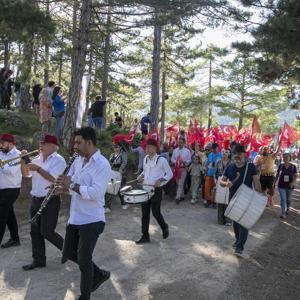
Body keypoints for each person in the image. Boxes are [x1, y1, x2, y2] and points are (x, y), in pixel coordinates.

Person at [57, 127, 111, 300]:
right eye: (75, 142)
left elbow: (95, 193)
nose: (75, 146)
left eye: (78, 142)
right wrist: (62, 188)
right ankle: (99, 274)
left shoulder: (102, 164)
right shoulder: (77, 161)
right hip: (75, 217)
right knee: (69, 253)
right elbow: (72, 186)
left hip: (92, 219)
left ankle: (85, 296)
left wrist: (71, 185)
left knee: (84, 259)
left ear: (89, 142)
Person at [22, 134, 66, 271]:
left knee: (47, 231)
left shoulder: (59, 160)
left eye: (43, 144)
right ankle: (39, 260)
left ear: (53, 146)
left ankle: (69, 251)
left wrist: (38, 169)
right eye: (41, 143)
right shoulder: (37, 159)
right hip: (35, 198)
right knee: (34, 232)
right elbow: (26, 175)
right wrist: (23, 162)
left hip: (50, 200)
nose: (40, 146)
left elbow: (54, 179)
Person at [221, 144, 261, 256]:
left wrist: (260, 195)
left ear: (244, 154)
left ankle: (240, 247)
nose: (237, 155)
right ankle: (238, 240)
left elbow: (256, 182)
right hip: (233, 199)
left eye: (239, 153)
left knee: (243, 223)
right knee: (235, 223)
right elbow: (221, 182)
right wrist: (226, 183)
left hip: (246, 199)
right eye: (235, 153)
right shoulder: (229, 167)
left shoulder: (251, 166)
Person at [136, 138, 173, 244]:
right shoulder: (145, 159)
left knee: (156, 212)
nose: (147, 149)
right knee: (145, 213)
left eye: (149, 147)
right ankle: (145, 236)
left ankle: (164, 226)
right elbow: (145, 171)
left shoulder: (162, 160)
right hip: (145, 189)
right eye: (146, 147)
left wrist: (161, 181)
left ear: (155, 148)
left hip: (156, 190)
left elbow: (169, 174)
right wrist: (141, 176)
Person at [0, 134, 22, 248]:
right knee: (9, 214)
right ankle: (15, 238)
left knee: (1, 215)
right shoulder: (1, 153)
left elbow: (11, 171)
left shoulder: (18, 155)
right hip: (2, 189)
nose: (1, 145)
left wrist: (1, 163)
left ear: (10, 143)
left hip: (11, 189)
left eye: (2, 143)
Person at [105, 144, 128, 212]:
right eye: (114, 147)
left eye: (116, 147)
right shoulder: (112, 155)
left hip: (119, 174)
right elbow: (109, 163)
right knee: (110, 189)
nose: (115, 148)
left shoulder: (123, 154)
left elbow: (124, 163)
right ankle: (107, 207)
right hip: (112, 173)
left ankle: (124, 203)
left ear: (120, 147)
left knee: (120, 189)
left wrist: (120, 171)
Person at [275, 152, 297, 219]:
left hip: (290, 186)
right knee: (283, 199)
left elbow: (295, 175)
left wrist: (293, 182)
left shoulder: (293, 166)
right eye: (284, 157)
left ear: (289, 158)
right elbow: (277, 175)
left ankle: (288, 208)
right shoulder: (281, 166)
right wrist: (274, 183)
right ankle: (283, 213)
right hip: (281, 185)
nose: (285, 159)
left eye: (287, 157)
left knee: (288, 200)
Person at [171, 137, 192, 204]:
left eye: (181, 142)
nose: (179, 143)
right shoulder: (175, 150)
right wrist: (177, 161)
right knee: (178, 183)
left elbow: (189, 160)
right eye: (179, 142)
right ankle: (182, 196)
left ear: (184, 143)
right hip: (176, 169)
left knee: (180, 183)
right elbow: (172, 159)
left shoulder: (187, 151)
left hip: (183, 169)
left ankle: (177, 197)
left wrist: (184, 162)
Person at [215, 149, 231, 225]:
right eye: (223, 152)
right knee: (220, 201)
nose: (224, 153)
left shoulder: (232, 163)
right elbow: (215, 173)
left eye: (226, 152)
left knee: (227, 202)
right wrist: (215, 182)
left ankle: (228, 221)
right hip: (219, 182)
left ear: (229, 153)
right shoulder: (218, 162)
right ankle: (220, 220)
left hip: (229, 183)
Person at [204, 143, 222, 208]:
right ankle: (208, 201)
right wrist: (205, 172)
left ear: (218, 148)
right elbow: (207, 164)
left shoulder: (221, 155)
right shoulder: (210, 155)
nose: (214, 150)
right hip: (209, 174)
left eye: (215, 149)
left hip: (217, 176)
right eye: (213, 149)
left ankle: (214, 202)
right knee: (207, 188)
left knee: (216, 189)